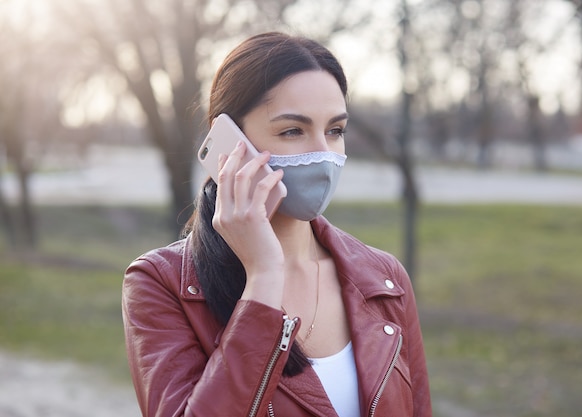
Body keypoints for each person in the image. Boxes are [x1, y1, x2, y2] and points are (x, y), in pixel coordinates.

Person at [122, 31, 432, 417]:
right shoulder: (159, 283)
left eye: (335, 130)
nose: (324, 153)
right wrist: (264, 276)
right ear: (228, 142)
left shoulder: (385, 279)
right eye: (292, 131)